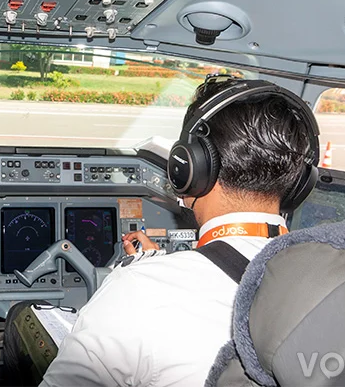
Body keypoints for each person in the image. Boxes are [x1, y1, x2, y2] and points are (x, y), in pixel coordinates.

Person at [18, 76, 317, 387]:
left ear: (190, 167)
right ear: (300, 183)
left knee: (22, 317)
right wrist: (161, 265)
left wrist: (147, 274)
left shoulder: (139, 288)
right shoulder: (336, 282)